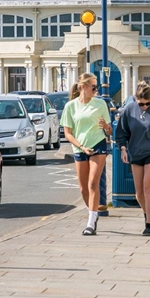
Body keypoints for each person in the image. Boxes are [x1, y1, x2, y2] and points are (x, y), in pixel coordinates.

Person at [115, 82, 150, 236]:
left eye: (148, 103)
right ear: (135, 99)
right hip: (135, 152)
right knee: (138, 193)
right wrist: (122, 148)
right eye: (142, 104)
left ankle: (148, 225)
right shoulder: (128, 110)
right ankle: (148, 215)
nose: (145, 106)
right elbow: (121, 132)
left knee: (148, 187)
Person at [61, 73, 112, 236]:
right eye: (93, 87)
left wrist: (106, 127)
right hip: (80, 147)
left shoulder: (101, 104)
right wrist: (81, 147)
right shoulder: (70, 106)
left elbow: (109, 130)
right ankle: (93, 212)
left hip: (98, 144)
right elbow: (68, 133)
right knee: (83, 189)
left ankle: (91, 222)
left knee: (92, 183)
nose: (96, 90)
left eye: (97, 87)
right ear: (83, 87)